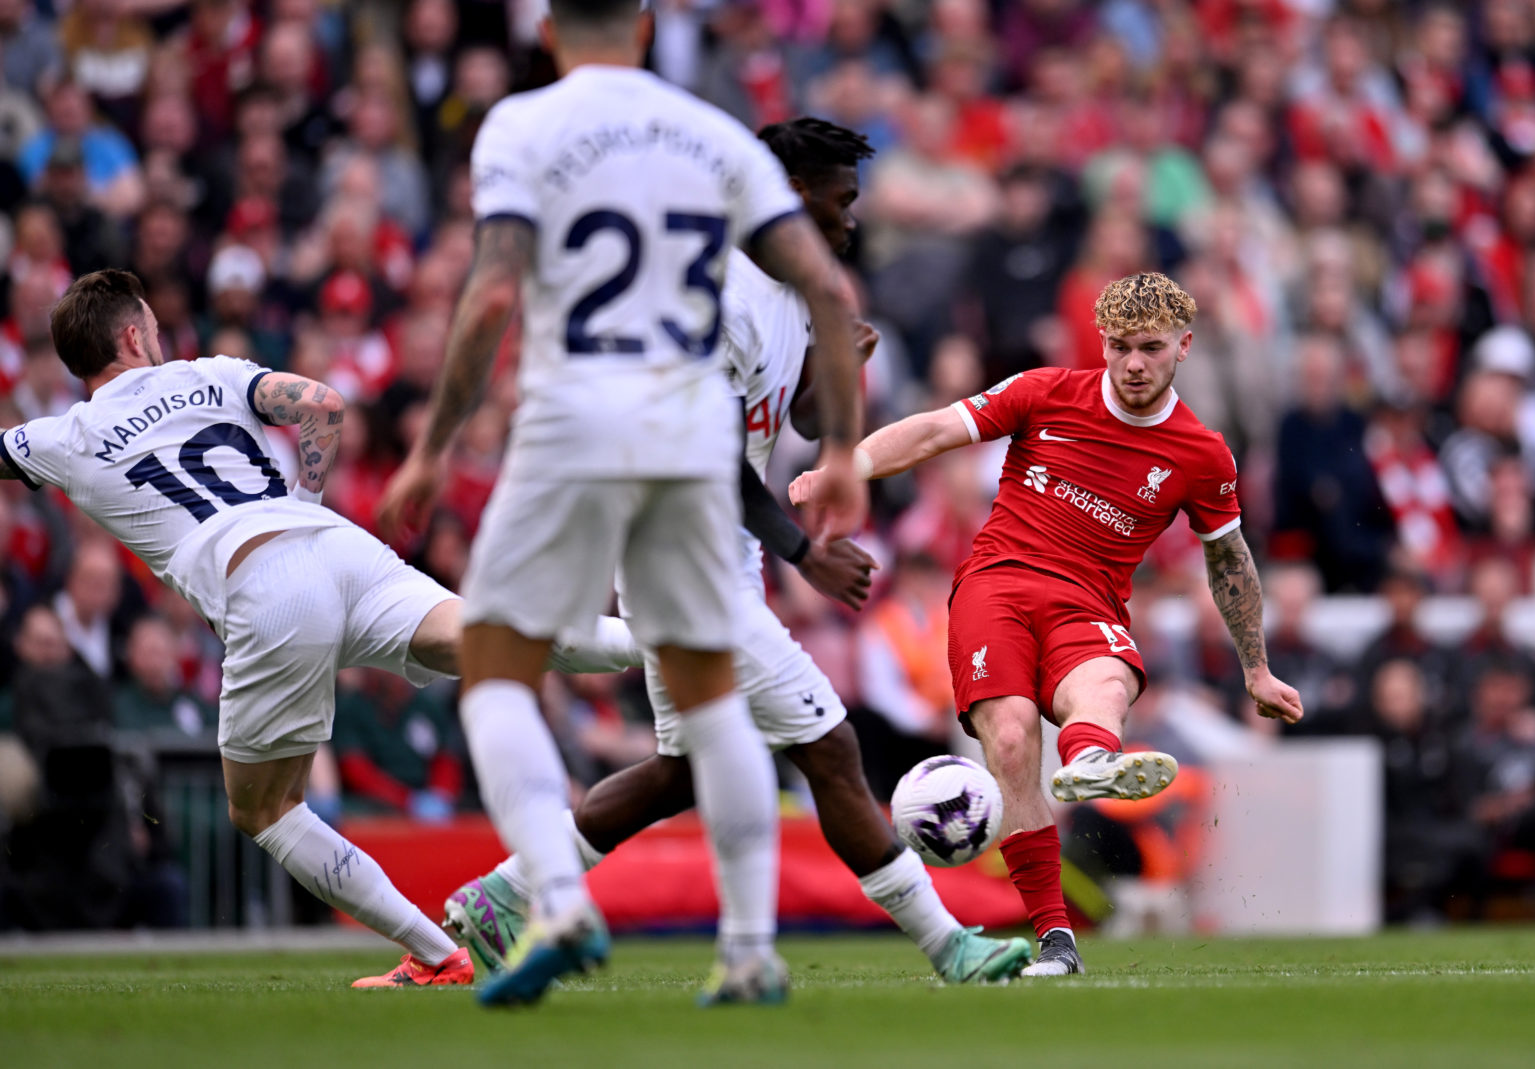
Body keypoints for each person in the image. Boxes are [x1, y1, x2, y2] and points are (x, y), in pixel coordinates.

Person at [441, 118, 1033, 988]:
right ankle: (951, 945)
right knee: (829, 746)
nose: (851, 220)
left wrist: (845, 367)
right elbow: (711, 452)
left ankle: (503, 895)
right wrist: (805, 552)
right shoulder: (714, 295)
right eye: (840, 202)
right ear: (789, 195)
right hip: (682, 555)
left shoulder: (796, 289)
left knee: (683, 771)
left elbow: (793, 425)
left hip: (714, 557)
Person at [377, 0, 868, 1008]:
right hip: (688, 439)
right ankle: (745, 950)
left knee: (498, 671)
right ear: (646, 32)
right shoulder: (713, 135)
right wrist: (852, 449)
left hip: (570, 423)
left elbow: (493, 294)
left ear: (551, 32)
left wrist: (431, 450)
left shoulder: (523, 124)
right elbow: (824, 285)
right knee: (712, 698)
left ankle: (552, 901)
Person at [0, 269, 637, 986]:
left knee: (263, 809)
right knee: (491, 637)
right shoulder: (210, 373)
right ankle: (676, 646)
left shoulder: (64, 436)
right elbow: (323, 405)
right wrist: (303, 499)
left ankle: (438, 954)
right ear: (131, 335)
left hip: (260, 583)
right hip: (334, 544)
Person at [792, 272, 1304, 974]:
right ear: (1101, 342)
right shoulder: (1046, 391)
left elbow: (1231, 562)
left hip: (1090, 602)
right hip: (996, 585)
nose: (1133, 363)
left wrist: (1256, 666)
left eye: (1151, 348)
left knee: (1106, 684)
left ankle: (1091, 757)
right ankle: (1057, 939)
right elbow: (941, 427)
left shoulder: (1202, 453)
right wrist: (846, 467)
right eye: (1120, 346)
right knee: (1009, 738)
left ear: (1184, 345)